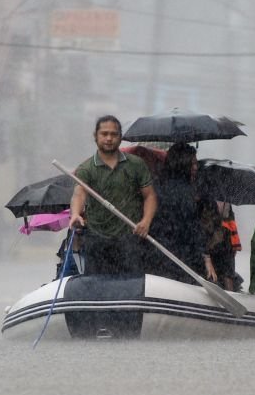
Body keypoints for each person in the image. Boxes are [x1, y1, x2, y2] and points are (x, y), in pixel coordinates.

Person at [70, 115, 158, 276]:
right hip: (97, 239)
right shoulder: (87, 168)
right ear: (95, 136)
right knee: (96, 289)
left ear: (120, 137)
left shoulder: (136, 165)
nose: (109, 138)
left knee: (130, 287)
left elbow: (150, 196)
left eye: (114, 134)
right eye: (104, 134)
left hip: (129, 239)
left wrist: (146, 221)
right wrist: (75, 214)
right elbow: (79, 194)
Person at [148, 142, 213, 284]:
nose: (196, 168)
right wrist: (206, 258)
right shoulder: (185, 192)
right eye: (193, 164)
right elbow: (193, 227)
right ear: (183, 164)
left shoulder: (157, 184)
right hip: (182, 255)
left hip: (158, 252)